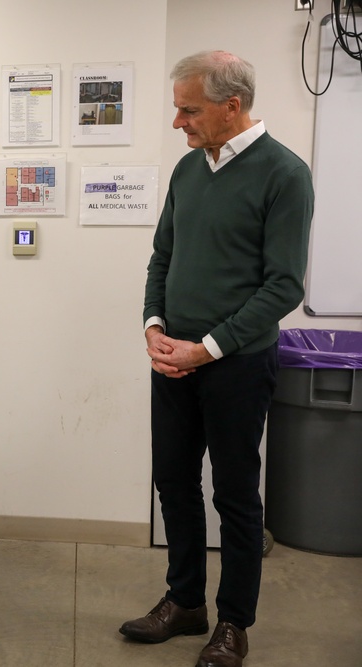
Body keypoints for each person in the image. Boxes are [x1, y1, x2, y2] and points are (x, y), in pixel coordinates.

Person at [119, 51, 313, 667]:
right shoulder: (186, 170)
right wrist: (154, 327)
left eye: (189, 109)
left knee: (233, 495)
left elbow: (284, 287)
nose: (178, 121)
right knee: (173, 482)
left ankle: (233, 624)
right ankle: (184, 603)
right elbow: (162, 258)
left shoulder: (285, 174)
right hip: (174, 359)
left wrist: (209, 347)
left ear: (233, 106)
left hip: (236, 364)